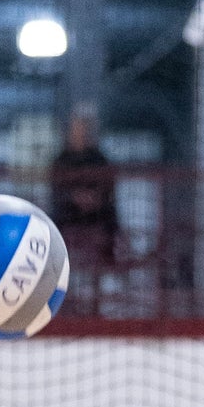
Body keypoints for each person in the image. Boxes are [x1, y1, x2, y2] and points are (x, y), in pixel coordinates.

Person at [49, 108, 118, 307]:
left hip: (97, 214)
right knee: (53, 228)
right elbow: (56, 190)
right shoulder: (61, 160)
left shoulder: (99, 158)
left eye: (83, 130)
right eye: (75, 130)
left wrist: (93, 199)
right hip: (68, 214)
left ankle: (97, 297)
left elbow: (108, 187)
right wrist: (75, 198)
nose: (79, 134)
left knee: (109, 224)